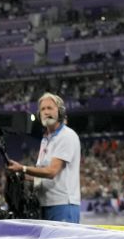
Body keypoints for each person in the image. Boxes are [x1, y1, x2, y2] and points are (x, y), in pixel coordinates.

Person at [7, 92, 81, 223]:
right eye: (43, 109)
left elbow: (51, 172)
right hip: (45, 204)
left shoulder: (66, 135)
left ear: (60, 112)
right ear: (39, 114)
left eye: (50, 108)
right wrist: (19, 174)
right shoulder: (45, 140)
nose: (46, 112)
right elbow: (41, 177)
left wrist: (23, 168)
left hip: (63, 204)